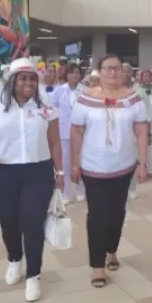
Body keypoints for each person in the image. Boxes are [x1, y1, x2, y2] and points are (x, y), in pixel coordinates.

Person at [0, 58, 63, 302]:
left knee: (33, 223)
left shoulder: (46, 108)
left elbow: (55, 142)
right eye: (23, 78)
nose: (29, 83)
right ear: (12, 81)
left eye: (33, 78)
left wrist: (61, 173)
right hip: (5, 173)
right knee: (8, 222)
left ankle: (34, 275)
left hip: (38, 172)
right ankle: (15, 259)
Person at [70, 54, 149, 288]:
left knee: (117, 212)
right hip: (93, 166)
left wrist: (143, 163)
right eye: (107, 68)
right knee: (97, 215)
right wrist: (74, 164)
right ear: (99, 71)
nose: (112, 73)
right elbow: (76, 132)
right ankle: (97, 266)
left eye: (116, 68)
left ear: (123, 72)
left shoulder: (134, 99)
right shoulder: (84, 99)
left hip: (123, 166)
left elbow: (142, 132)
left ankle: (111, 250)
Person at [51, 63, 86, 203]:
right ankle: (66, 193)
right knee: (64, 163)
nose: (75, 75)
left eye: (77, 72)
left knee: (80, 162)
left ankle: (80, 189)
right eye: (72, 73)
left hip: (81, 132)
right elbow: (53, 110)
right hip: (63, 131)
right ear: (66, 75)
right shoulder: (59, 91)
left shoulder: (85, 90)